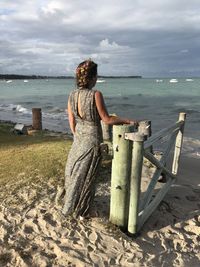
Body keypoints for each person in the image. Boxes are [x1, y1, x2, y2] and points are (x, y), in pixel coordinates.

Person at [62, 59, 138, 218]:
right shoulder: (95, 94)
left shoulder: (72, 95)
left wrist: (77, 135)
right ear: (92, 77)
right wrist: (127, 121)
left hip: (79, 139)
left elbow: (71, 121)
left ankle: (71, 205)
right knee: (88, 175)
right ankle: (83, 209)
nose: (97, 78)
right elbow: (107, 119)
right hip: (92, 139)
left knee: (74, 171)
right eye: (96, 75)